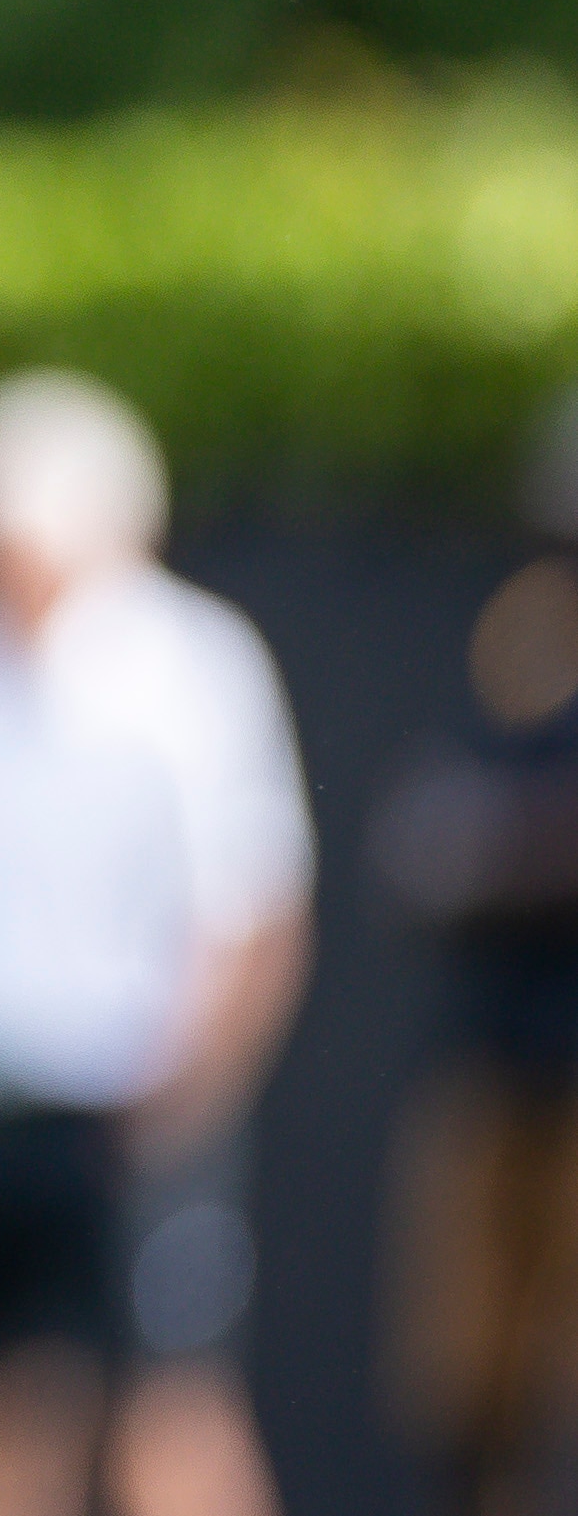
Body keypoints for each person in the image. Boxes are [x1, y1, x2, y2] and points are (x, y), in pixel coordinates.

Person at [0, 370, 314, 1516]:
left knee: (165, 1403)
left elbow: (246, 905)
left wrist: (184, 1093)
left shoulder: (190, 665)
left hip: (121, 1113)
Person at [373, 385, 578, 1516]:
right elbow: (431, 816)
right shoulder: (525, 627)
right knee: (467, 1378)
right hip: (499, 1054)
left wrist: (499, 849)